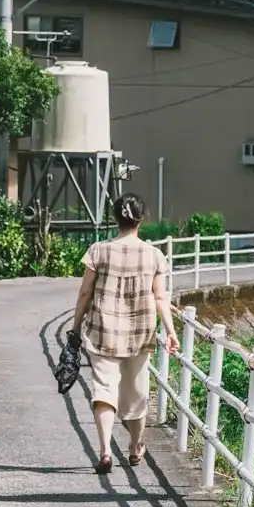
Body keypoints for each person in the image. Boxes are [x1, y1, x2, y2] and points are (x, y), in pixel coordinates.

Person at [69, 195, 171, 471]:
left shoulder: (98, 251)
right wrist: (171, 331)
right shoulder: (154, 255)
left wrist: (76, 328)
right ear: (141, 218)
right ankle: (136, 446)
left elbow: (85, 293)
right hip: (140, 334)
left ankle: (104, 452)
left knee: (104, 390)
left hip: (102, 332)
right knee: (136, 397)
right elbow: (160, 298)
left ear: (116, 217)